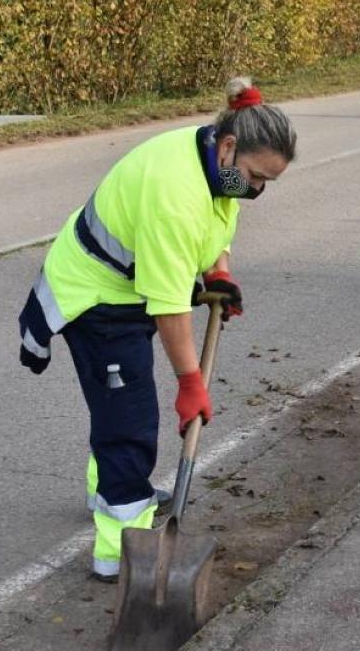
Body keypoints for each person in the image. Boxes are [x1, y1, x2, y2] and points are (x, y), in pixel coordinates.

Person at [16, 77, 296, 583]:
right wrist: (191, 384)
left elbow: (217, 224)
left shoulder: (214, 159)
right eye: (256, 177)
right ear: (230, 146)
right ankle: (117, 553)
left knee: (117, 406)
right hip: (95, 298)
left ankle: (111, 490)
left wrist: (219, 273)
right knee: (131, 422)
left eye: (266, 183)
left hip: (128, 289)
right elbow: (170, 309)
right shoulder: (176, 195)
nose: (255, 190)